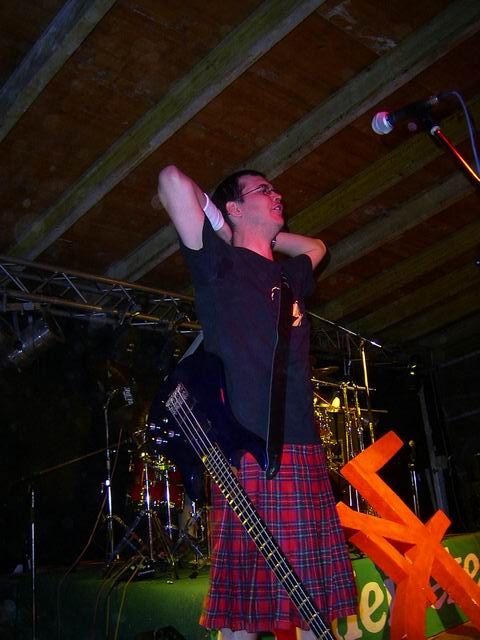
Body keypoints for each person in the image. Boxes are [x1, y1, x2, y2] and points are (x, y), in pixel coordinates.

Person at [157, 165, 357, 640]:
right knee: (245, 608)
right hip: (248, 449)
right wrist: (223, 228)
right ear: (233, 205)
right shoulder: (219, 264)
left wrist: (258, 229)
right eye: (263, 190)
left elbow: (317, 247)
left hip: (302, 445)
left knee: (313, 600)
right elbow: (171, 181)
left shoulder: (289, 276)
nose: (277, 194)